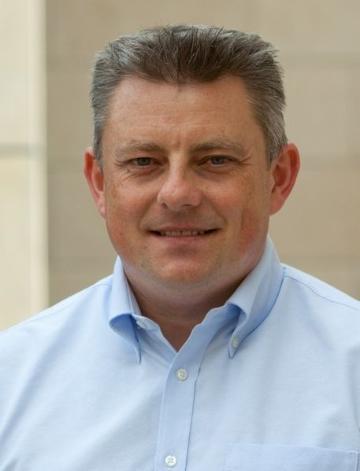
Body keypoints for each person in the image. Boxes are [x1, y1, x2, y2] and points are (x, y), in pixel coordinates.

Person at [1, 25, 359, 470]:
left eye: (215, 160)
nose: (177, 194)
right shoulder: (11, 379)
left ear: (279, 177)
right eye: (143, 162)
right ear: (99, 183)